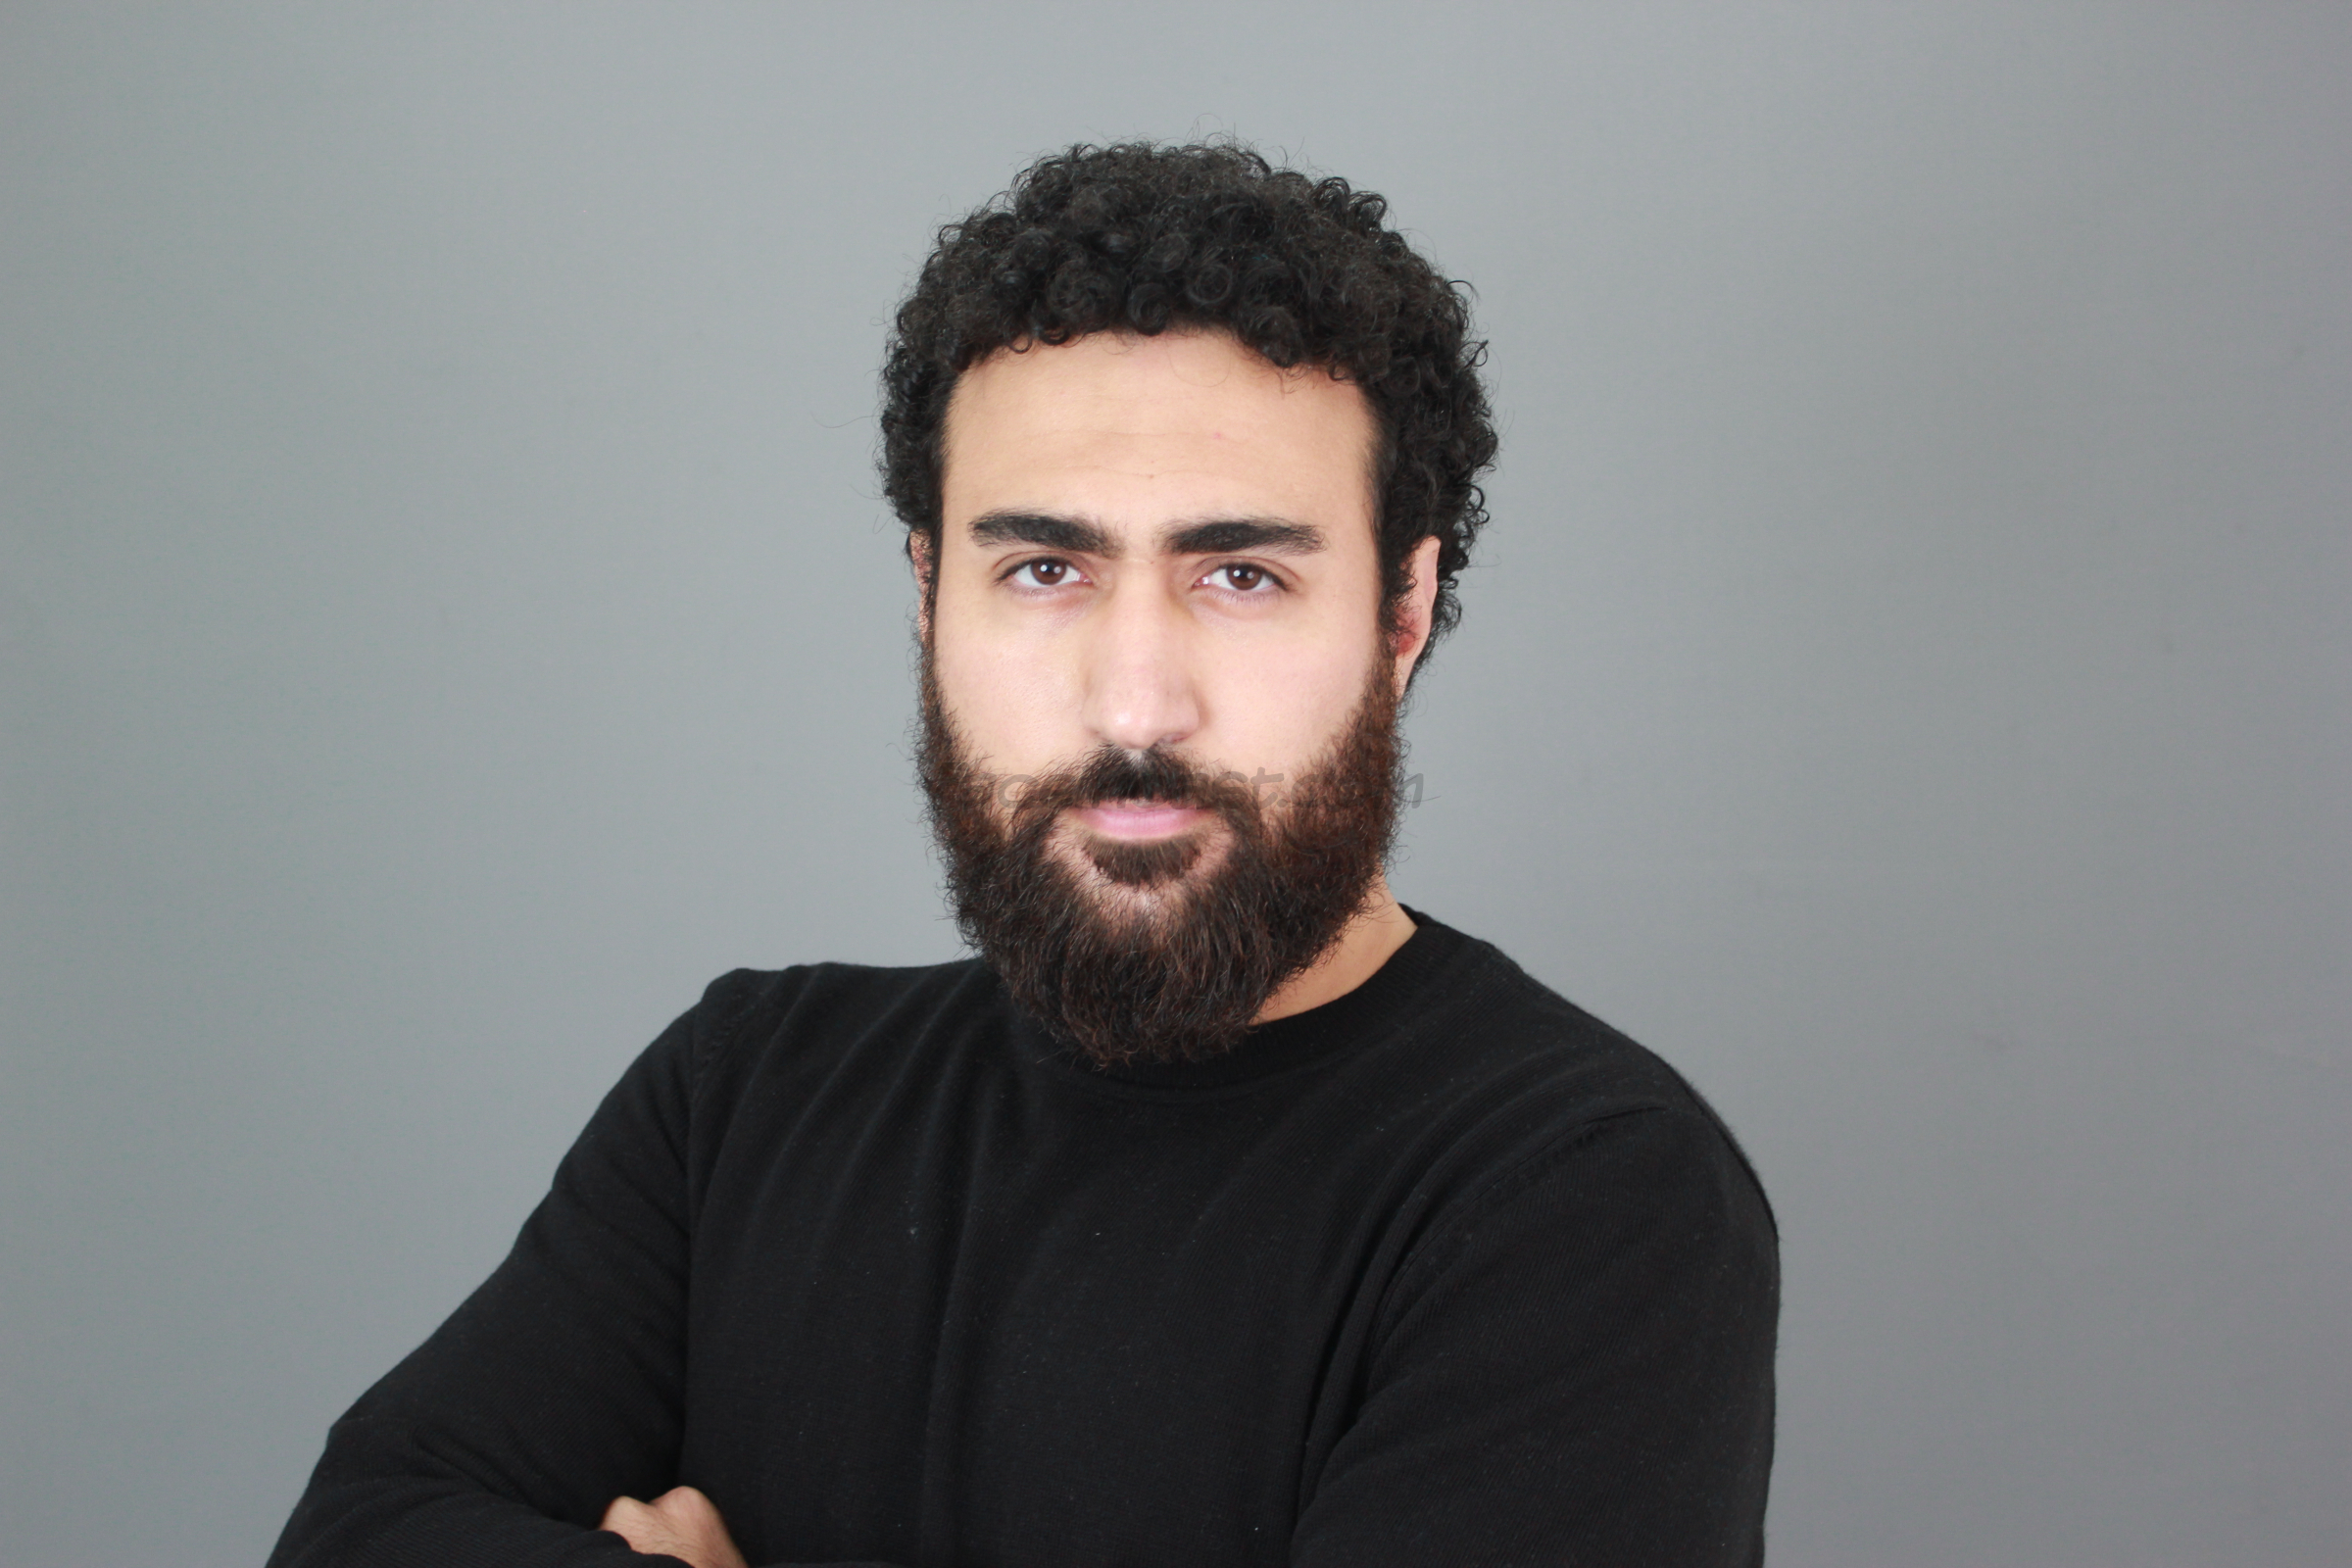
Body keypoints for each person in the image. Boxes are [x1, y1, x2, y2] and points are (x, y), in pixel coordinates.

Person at [269, 141, 1778, 1568]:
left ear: (1402, 612)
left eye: (1242, 575)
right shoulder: (742, 1097)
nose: (1135, 704)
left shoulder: (1580, 1193)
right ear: (930, 595)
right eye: (1045, 568)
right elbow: (361, 1532)